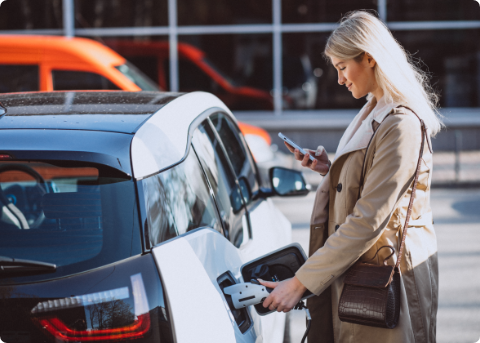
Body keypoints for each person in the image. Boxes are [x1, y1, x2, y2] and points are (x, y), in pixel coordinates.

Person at [258, 11, 441, 343]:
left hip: (384, 280)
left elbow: (368, 219)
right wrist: (331, 169)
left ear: (369, 58)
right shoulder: (374, 108)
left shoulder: (401, 124)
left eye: (343, 67)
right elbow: (374, 183)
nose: (340, 79)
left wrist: (300, 283)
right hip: (363, 273)